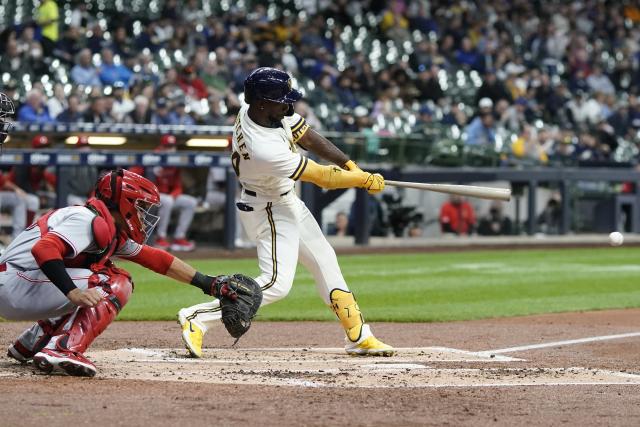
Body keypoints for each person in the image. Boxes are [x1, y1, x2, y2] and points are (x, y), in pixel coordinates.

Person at [177, 67, 393, 358]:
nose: (289, 106)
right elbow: (321, 177)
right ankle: (197, 316)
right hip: (267, 207)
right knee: (277, 284)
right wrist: (362, 180)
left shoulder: (260, 110)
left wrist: (349, 164)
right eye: (283, 101)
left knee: (326, 262)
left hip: (284, 199)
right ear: (263, 102)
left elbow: (308, 136)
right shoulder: (262, 147)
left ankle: (359, 336)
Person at [0, 165, 247, 377]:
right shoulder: (86, 218)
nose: (142, 213)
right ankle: (62, 348)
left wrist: (209, 284)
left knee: (103, 274)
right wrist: (73, 291)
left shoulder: (107, 226)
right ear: (123, 202)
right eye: (139, 205)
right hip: (15, 283)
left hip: (17, 285)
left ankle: (33, 342)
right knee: (114, 281)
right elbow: (44, 249)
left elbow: (156, 259)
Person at [144, 135, 197, 252]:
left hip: (168, 196)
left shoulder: (174, 161)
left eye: (172, 146)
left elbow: (178, 186)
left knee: (191, 202)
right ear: (161, 146)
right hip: (152, 196)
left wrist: (173, 196)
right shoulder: (152, 157)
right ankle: (160, 237)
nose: (170, 149)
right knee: (167, 201)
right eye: (167, 146)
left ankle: (179, 237)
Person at [61, 135, 100, 205]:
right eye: (82, 147)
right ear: (77, 149)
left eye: (86, 146)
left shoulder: (91, 163)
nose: (85, 149)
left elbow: (94, 184)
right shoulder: (71, 161)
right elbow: (50, 173)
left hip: (85, 196)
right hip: (72, 196)